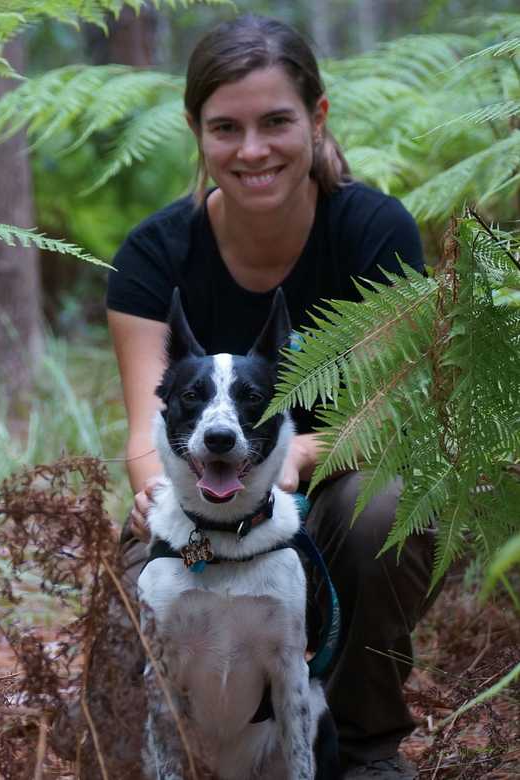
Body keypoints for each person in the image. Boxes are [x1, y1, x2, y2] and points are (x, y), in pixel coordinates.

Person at [106, 14, 438, 780]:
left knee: (381, 512)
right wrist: (155, 487)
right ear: (197, 131)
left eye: (276, 122)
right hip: (194, 509)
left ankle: (362, 750)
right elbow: (142, 428)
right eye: (226, 127)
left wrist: (301, 456)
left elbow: (396, 407)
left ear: (317, 119)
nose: (252, 151)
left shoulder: (373, 231)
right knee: (136, 598)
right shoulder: (155, 255)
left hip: (329, 490)